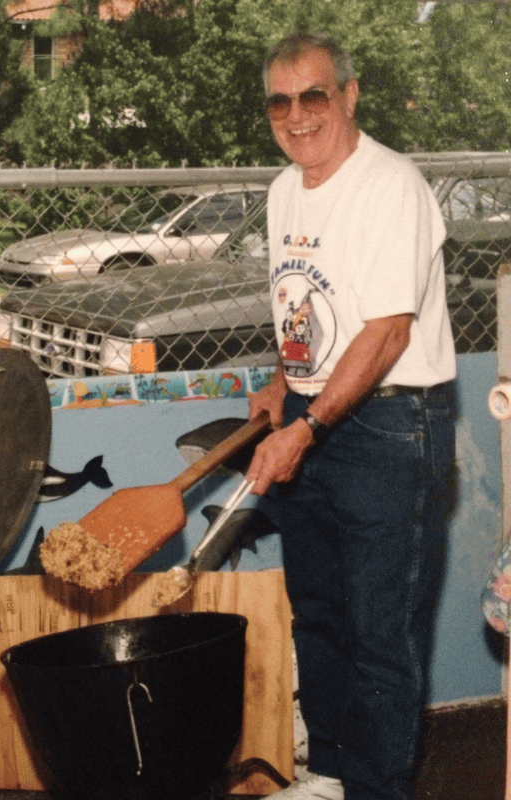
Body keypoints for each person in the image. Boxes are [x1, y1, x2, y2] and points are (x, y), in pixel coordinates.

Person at [244, 33, 456, 800]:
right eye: (280, 100)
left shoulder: (391, 186)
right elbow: (308, 304)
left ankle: (374, 789)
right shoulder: (282, 191)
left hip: (390, 428)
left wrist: (308, 426)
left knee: (379, 637)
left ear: (350, 95)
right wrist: (282, 384)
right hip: (314, 413)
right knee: (320, 616)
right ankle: (329, 776)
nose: (297, 116)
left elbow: (387, 330)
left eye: (314, 96)